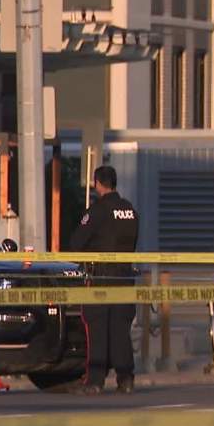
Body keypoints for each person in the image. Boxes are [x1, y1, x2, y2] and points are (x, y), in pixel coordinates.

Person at [70, 165, 139, 395]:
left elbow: (77, 244)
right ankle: (126, 378)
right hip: (125, 278)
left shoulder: (97, 211)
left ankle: (95, 381)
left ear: (98, 184)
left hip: (100, 279)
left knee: (97, 330)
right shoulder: (129, 210)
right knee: (121, 330)